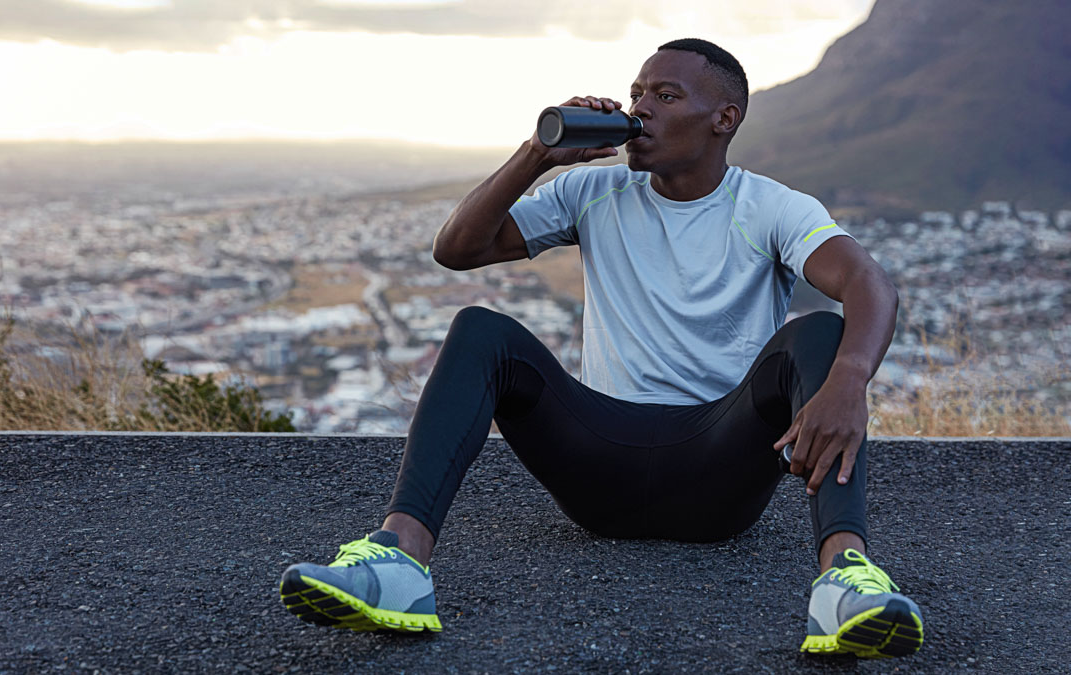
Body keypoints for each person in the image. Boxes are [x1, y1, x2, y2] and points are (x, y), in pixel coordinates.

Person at [279, 38, 924, 659]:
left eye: (666, 96)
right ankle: (399, 562)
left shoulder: (769, 206)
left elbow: (868, 284)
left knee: (820, 334)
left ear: (723, 119)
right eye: (636, 92)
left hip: (717, 465)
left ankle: (845, 582)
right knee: (481, 329)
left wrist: (848, 382)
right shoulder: (592, 192)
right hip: (599, 462)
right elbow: (459, 249)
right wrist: (538, 154)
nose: (640, 108)